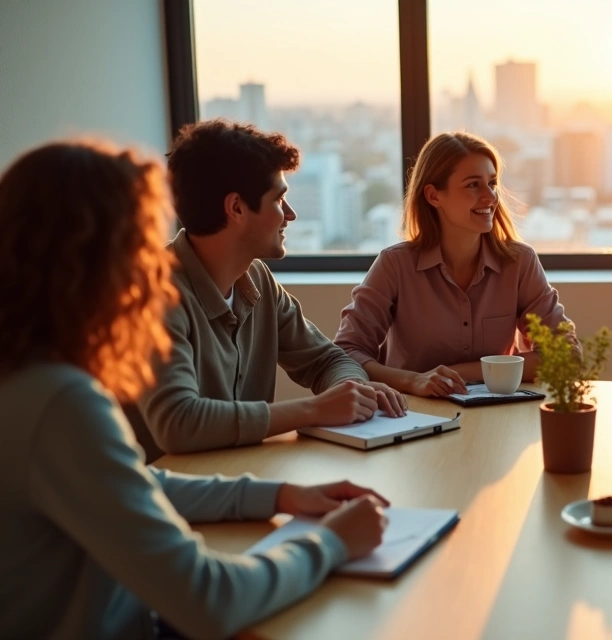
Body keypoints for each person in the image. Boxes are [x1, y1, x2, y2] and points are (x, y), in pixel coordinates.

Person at [0, 140, 390, 639]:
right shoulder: (61, 402)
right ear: (94, 260)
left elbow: (136, 483)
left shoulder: (30, 375)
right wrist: (331, 544)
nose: (150, 267)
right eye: (140, 242)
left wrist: (282, 495)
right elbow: (209, 601)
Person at [128, 120, 407, 461]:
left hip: (242, 476)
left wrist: (352, 391)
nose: (290, 214)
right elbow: (179, 424)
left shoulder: (257, 278)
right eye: (279, 199)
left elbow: (327, 360)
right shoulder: (153, 294)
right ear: (236, 208)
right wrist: (315, 409)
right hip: (169, 490)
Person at [334, 132, 573, 398]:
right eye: (472, 185)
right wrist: (414, 381)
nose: (490, 196)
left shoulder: (519, 262)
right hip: (413, 413)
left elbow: (566, 355)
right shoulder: (395, 265)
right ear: (434, 196)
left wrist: (459, 372)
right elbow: (345, 354)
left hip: (497, 413)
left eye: (492, 183)